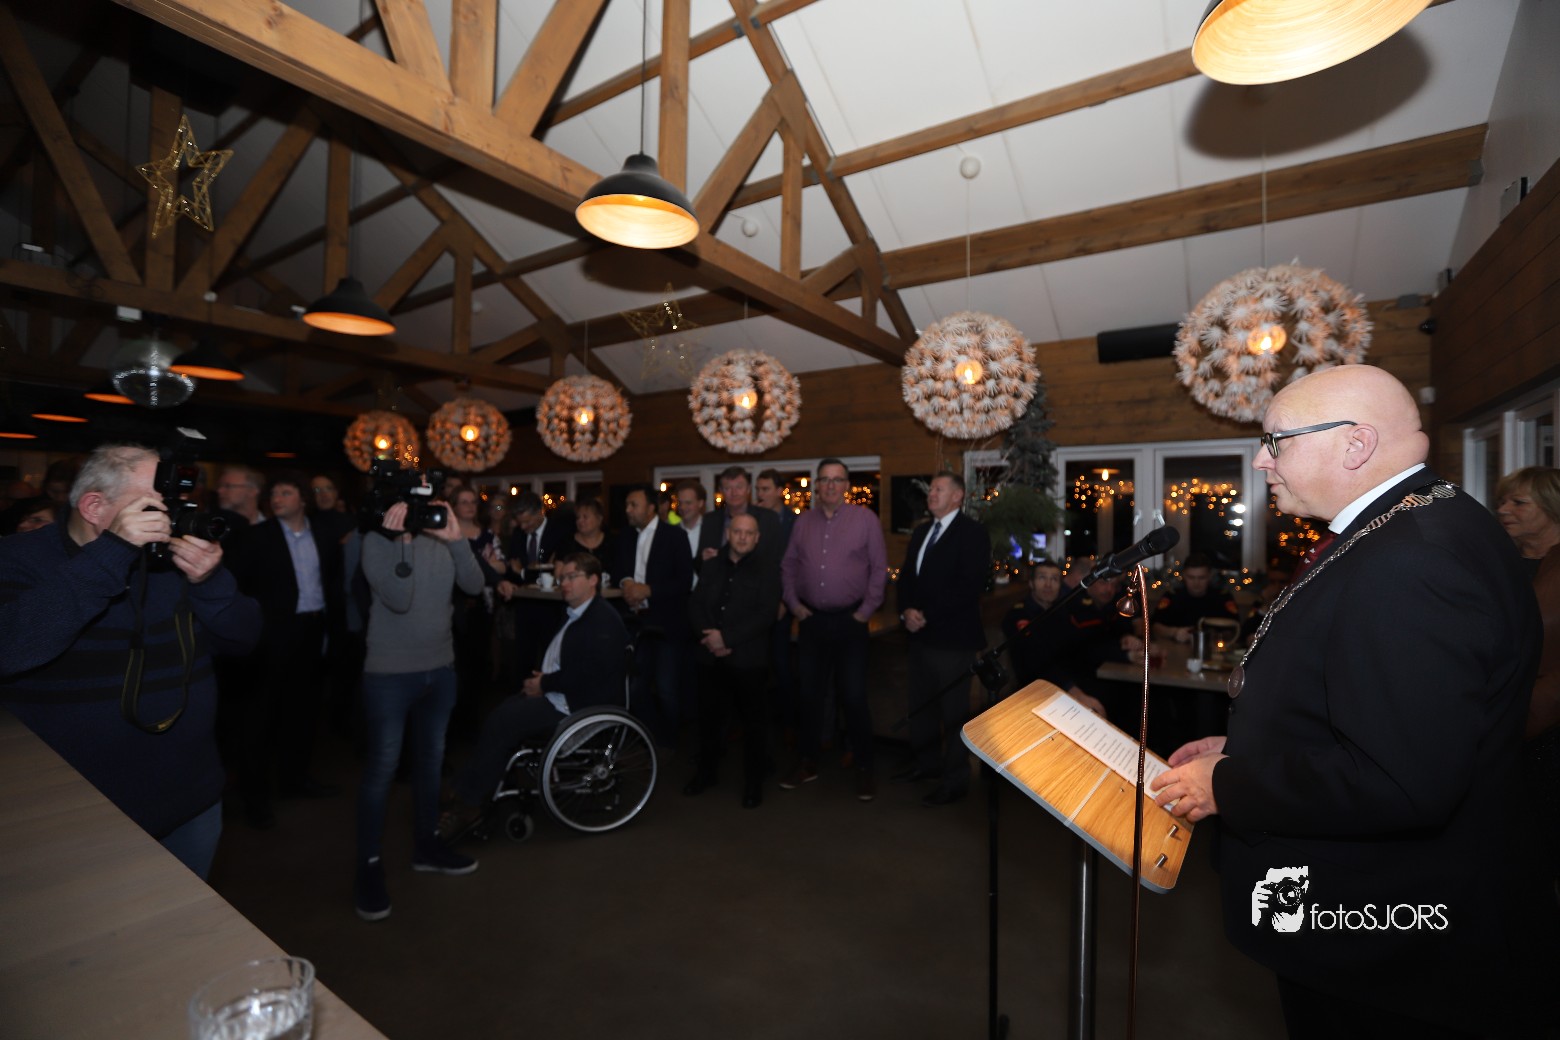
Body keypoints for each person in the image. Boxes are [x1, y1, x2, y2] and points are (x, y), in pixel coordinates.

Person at [1150, 365, 1542, 1037]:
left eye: (1276, 441)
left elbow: (1401, 780)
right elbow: (1389, 709)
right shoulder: (1407, 524)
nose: (1261, 460)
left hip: (1388, 940)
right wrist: (1250, 745)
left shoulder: (1412, 561)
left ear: (1355, 444)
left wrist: (1230, 782)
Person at [0, 444, 260, 879]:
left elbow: (244, 639)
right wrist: (111, 555)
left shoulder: (171, 559)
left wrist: (210, 580)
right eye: (153, 506)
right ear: (94, 507)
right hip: (72, 812)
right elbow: (11, 649)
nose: (169, 519)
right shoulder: (17, 558)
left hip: (191, 798)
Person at [354, 493, 484, 922]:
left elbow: (474, 586)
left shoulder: (444, 537)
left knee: (430, 764)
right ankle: (368, 867)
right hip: (390, 675)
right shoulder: (376, 538)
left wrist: (456, 539)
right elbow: (399, 596)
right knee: (382, 770)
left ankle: (427, 846)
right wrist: (403, 541)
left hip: (440, 669)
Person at [442, 553, 630, 832]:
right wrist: (544, 683)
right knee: (502, 714)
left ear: (593, 580)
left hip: (581, 708)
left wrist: (544, 684)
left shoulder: (601, 621)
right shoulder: (581, 613)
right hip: (565, 695)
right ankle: (472, 788)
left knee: (503, 721)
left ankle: (469, 799)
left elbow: (587, 676)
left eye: (571, 577)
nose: (564, 583)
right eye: (561, 578)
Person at [228, 473, 344, 827]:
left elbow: (332, 585)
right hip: (271, 635)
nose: (277, 498)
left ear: (303, 499)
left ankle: (295, 781)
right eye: (274, 493)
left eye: (286, 492)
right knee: (261, 718)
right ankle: (256, 800)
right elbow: (237, 587)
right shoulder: (256, 536)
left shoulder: (322, 535)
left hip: (312, 630)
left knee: (302, 713)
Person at [778, 458, 887, 801]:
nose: (830, 485)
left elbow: (879, 569)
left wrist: (866, 611)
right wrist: (794, 604)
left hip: (850, 622)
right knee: (809, 696)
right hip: (812, 622)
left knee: (853, 696)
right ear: (816, 485)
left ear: (846, 486)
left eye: (837, 480)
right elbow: (788, 565)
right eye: (824, 479)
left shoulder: (865, 520)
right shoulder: (803, 522)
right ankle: (807, 762)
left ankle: (865, 768)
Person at [893, 473, 990, 806]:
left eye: (938, 489)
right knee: (921, 707)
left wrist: (926, 614)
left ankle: (955, 780)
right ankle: (926, 765)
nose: (930, 494)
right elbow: (906, 578)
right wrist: (906, 610)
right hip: (919, 637)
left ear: (957, 496)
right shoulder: (922, 531)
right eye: (930, 489)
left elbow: (968, 587)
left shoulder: (972, 533)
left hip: (953, 640)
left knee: (953, 713)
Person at [684, 514, 781, 808]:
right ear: (728, 533)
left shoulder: (768, 570)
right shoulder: (711, 564)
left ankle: (753, 783)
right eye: (737, 531)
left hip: (748, 660)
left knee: (754, 725)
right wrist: (710, 637)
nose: (742, 537)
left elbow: (765, 614)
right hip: (709, 657)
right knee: (709, 721)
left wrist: (726, 639)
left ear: (757, 538)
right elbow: (695, 604)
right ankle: (706, 773)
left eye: (748, 533)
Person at [615, 486, 694, 746]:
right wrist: (627, 583)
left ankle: (670, 741)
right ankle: (648, 735)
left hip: (666, 623)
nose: (628, 510)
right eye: (627, 505)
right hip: (634, 622)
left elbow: (684, 581)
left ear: (651, 508)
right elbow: (618, 569)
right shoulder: (625, 536)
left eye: (634, 505)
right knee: (635, 685)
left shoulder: (674, 536)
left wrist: (649, 590)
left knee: (666, 687)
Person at [1001, 560, 1109, 717]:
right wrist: (1074, 692)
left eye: (1054, 579)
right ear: (1031, 583)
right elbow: (1035, 659)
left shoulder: (1061, 611)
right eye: (1042, 578)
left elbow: (1080, 647)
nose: (1048, 585)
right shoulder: (1019, 614)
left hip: (1066, 683)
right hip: (1035, 691)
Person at [1149, 551, 1239, 644]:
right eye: (1191, 577)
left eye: (1201, 578)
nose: (1196, 583)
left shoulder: (1222, 597)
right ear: (1184, 575)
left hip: (1213, 647)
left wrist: (1215, 636)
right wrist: (1175, 632)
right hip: (1176, 647)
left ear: (1209, 576)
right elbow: (1155, 626)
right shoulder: (1172, 596)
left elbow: (1235, 628)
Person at [562, 497, 614, 568]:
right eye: (578, 517)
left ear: (599, 519)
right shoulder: (567, 543)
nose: (580, 521)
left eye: (585, 517)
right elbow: (559, 571)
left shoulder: (612, 543)